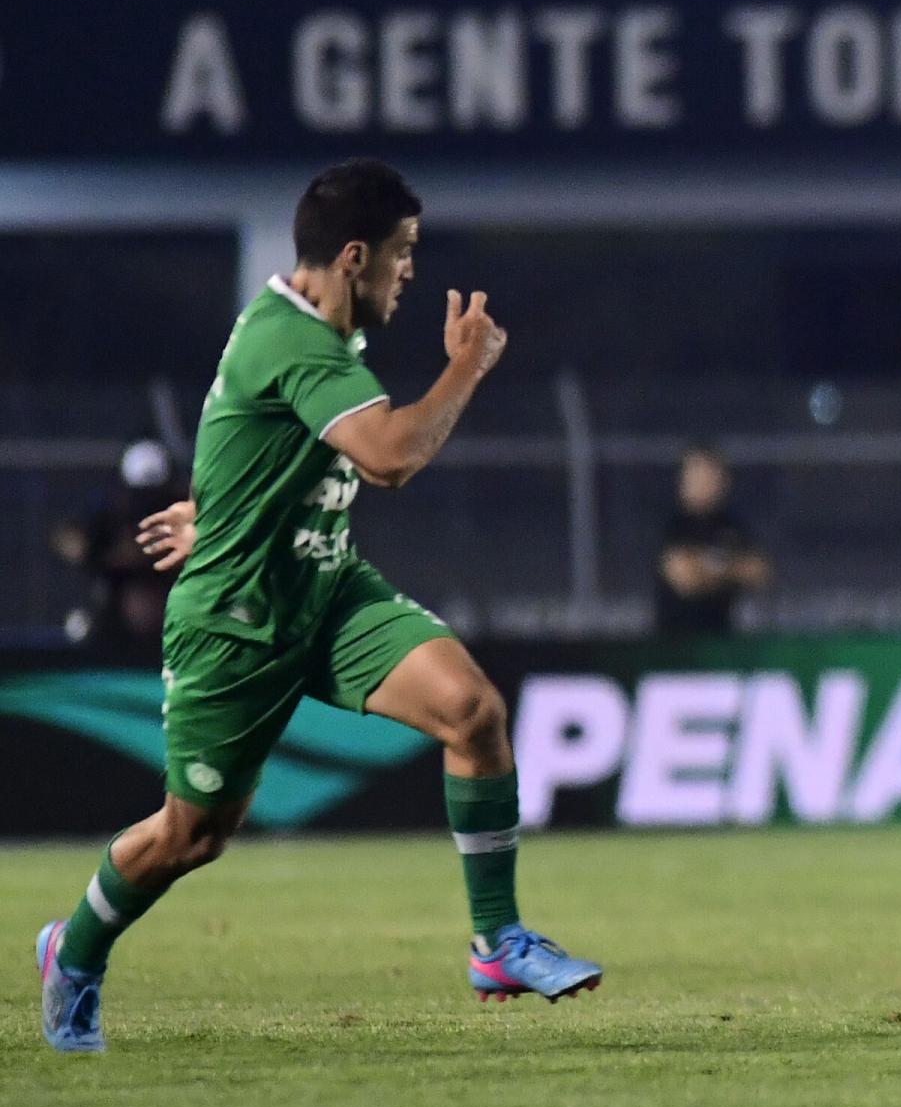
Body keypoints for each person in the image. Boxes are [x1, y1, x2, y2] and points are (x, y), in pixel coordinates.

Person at [36, 158, 602, 1054]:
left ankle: (497, 942)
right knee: (191, 836)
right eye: (402, 252)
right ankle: (76, 948)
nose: (410, 271)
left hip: (329, 592)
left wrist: (220, 509)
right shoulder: (292, 338)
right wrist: (465, 370)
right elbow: (388, 458)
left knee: (473, 710)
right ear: (352, 256)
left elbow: (259, 440)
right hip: (235, 628)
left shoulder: (320, 340)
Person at [49, 438, 190, 653]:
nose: (148, 511)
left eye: (156, 499)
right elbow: (69, 540)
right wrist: (98, 551)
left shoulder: (188, 518)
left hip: (179, 626)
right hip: (114, 636)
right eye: (140, 497)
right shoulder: (108, 517)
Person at [654, 445, 770, 637]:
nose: (705, 483)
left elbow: (759, 572)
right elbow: (686, 580)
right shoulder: (673, 525)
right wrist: (730, 571)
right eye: (698, 475)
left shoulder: (731, 525)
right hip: (676, 643)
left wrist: (707, 571)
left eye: (711, 475)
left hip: (721, 640)